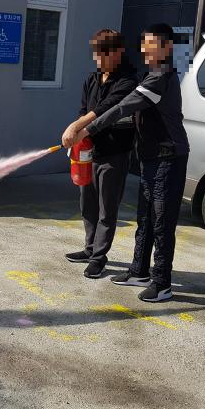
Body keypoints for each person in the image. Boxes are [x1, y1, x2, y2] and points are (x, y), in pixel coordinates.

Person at [64, 23, 189, 302]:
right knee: (145, 219)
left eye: (152, 44)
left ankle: (162, 283)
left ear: (168, 47)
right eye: (144, 44)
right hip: (149, 157)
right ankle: (139, 272)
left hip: (168, 158)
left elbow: (122, 107)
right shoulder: (149, 75)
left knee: (161, 223)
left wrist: (85, 130)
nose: (146, 50)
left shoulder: (160, 77)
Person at [61, 29, 137, 279]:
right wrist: (78, 136)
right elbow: (84, 110)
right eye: (97, 54)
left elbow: (106, 109)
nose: (99, 59)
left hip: (114, 153)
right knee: (88, 204)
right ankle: (89, 248)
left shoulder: (128, 82)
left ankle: (99, 258)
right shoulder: (91, 80)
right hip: (89, 152)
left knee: (107, 208)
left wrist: (75, 127)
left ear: (118, 52)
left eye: (104, 54)